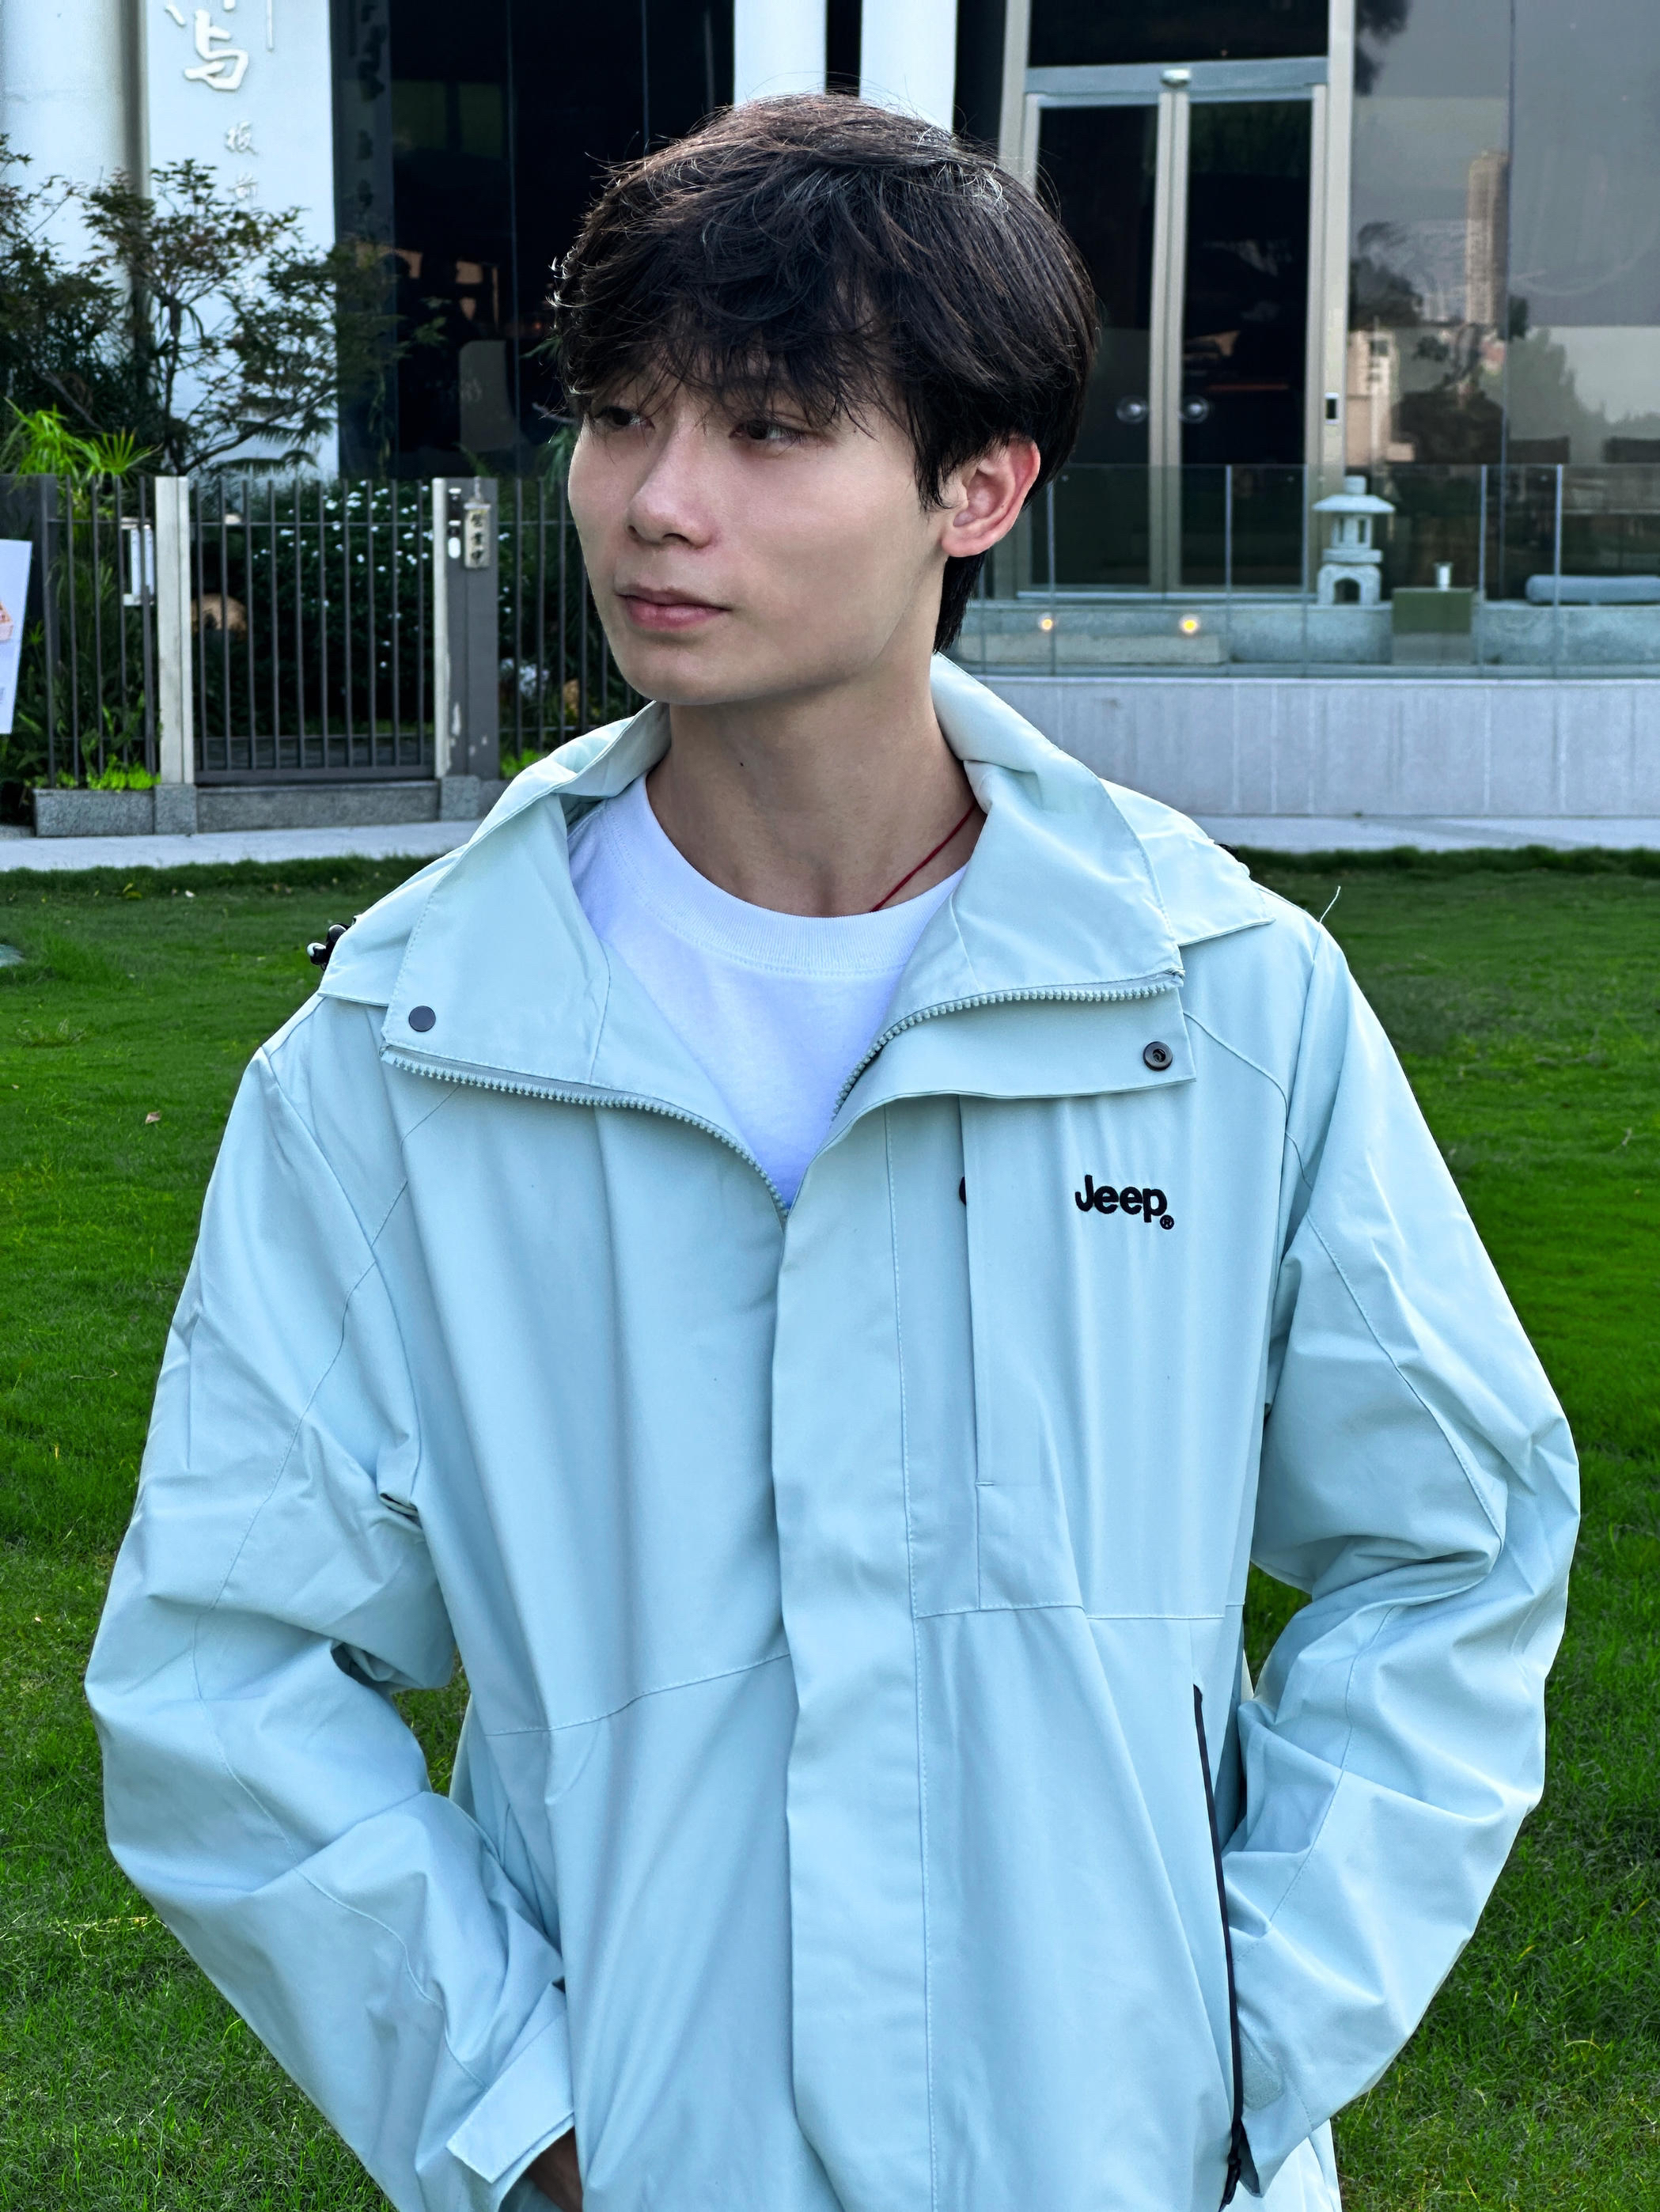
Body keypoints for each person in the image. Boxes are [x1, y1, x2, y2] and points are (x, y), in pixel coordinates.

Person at [88, 97, 1577, 2212]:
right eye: (621, 414)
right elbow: (222, 1668)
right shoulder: (400, 1056)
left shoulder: (1224, 1008)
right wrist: (523, 2122)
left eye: (769, 428)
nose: (655, 501)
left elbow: (1450, 1553)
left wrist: (1239, 2046)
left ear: (980, 485)